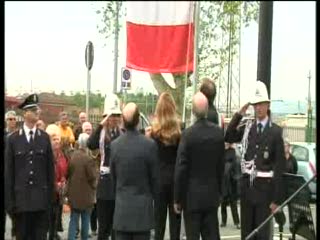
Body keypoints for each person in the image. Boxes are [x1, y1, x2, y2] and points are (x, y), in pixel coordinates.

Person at [225, 81, 286, 240]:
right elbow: (229, 136)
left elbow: (279, 168)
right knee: (247, 235)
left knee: (262, 235)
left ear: (267, 104)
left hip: (265, 194)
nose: (258, 108)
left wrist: (276, 200)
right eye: (255, 104)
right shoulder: (247, 127)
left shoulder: (275, 131)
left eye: (261, 104)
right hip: (247, 191)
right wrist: (239, 114)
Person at [174, 92, 225, 240]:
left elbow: (181, 168)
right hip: (211, 196)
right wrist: (220, 192)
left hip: (191, 198)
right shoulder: (217, 133)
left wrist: (177, 197)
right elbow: (221, 166)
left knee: (192, 236)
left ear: (193, 111)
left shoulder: (187, 135)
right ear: (208, 108)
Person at [5, 93, 55, 240]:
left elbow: (49, 172)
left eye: (37, 109)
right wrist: (9, 204)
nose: (37, 112)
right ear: (25, 113)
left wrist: (50, 200)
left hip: (40, 203)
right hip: (21, 204)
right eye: (33, 110)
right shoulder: (13, 140)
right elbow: (9, 174)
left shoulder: (44, 138)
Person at [110, 102, 159, 240]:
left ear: (123, 122)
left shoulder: (115, 146)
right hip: (142, 213)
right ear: (138, 120)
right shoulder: (150, 145)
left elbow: (113, 178)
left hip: (122, 211)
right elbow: (154, 179)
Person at [145, 92, 182, 240]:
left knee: (158, 224)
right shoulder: (180, 132)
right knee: (175, 225)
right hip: (175, 180)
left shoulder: (153, 133)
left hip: (158, 180)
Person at [87, 93, 123, 240]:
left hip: (118, 183)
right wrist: (101, 124)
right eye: (111, 115)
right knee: (103, 227)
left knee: (116, 226)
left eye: (116, 115)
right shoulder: (101, 133)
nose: (114, 118)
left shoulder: (122, 133)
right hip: (104, 183)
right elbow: (91, 144)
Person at [67, 133, 98, 240]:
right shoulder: (88, 159)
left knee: (73, 220)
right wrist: (95, 187)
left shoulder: (73, 156)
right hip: (86, 196)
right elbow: (93, 177)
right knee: (85, 220)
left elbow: (68, 174)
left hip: (73, 194)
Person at [46, 124, 68, 240]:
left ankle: (54, 234)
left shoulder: (62, 155)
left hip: (59, 192)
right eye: (54, 139)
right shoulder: (47, 155)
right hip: (49, 192)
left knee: (57, 215)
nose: (56, 141)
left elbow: (65, 168)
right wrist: (55, 184)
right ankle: (50, 235)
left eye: (58, 139)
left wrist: (63, 181)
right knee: (50, 216)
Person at [220, 142, 240, 229]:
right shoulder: (221, 152)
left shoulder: (232, 151)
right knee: (223, 203)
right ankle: (224, 221)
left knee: (233, 203)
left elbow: (235, 164)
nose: (225, 144)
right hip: (224, 180)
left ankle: (236, 222)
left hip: (231, 181)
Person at [4, 110, 18, 239]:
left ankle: (15, 234)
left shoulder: (19, 135)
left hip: (16, 176)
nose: (12, 121)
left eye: (14, 119)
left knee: (15, 208)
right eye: (10, 119)